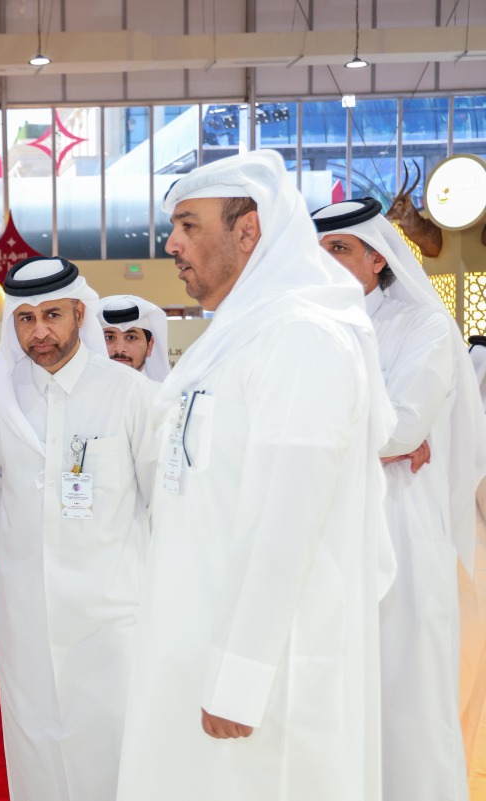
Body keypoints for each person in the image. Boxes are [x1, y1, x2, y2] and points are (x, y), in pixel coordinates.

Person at [116, 151, 396, 801]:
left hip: (268, 674)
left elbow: (285, 521)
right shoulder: (237, 338)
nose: (170, 243)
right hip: (197, 644)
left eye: (188, 225)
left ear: (248, 232)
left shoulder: (304, 338)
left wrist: (239, 675)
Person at [312, 198, 486, 801]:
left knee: (410, 703)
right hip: (329, 536)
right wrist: (369, 432)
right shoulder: (312, 331)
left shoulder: (424, 325)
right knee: (339, 701)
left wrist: (338, 432)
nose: (326, 262)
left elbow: (404, 428)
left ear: (378, 258)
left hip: (404, 533)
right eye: (318, 251)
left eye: (339, 249)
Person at [0, 257, 159, 801]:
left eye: (52, 315)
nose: (39, 332)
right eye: (25, 318)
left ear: (80, 312)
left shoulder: (128, 392)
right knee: (35, 751)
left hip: (113, 615)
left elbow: (163, 503)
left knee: (116, 748)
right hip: (26, 615)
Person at [97, 294, 171, 381]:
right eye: (109, 337)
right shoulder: (85, 389)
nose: (119, 349)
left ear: (149, 346)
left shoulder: (156, 390)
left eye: (131, 337)